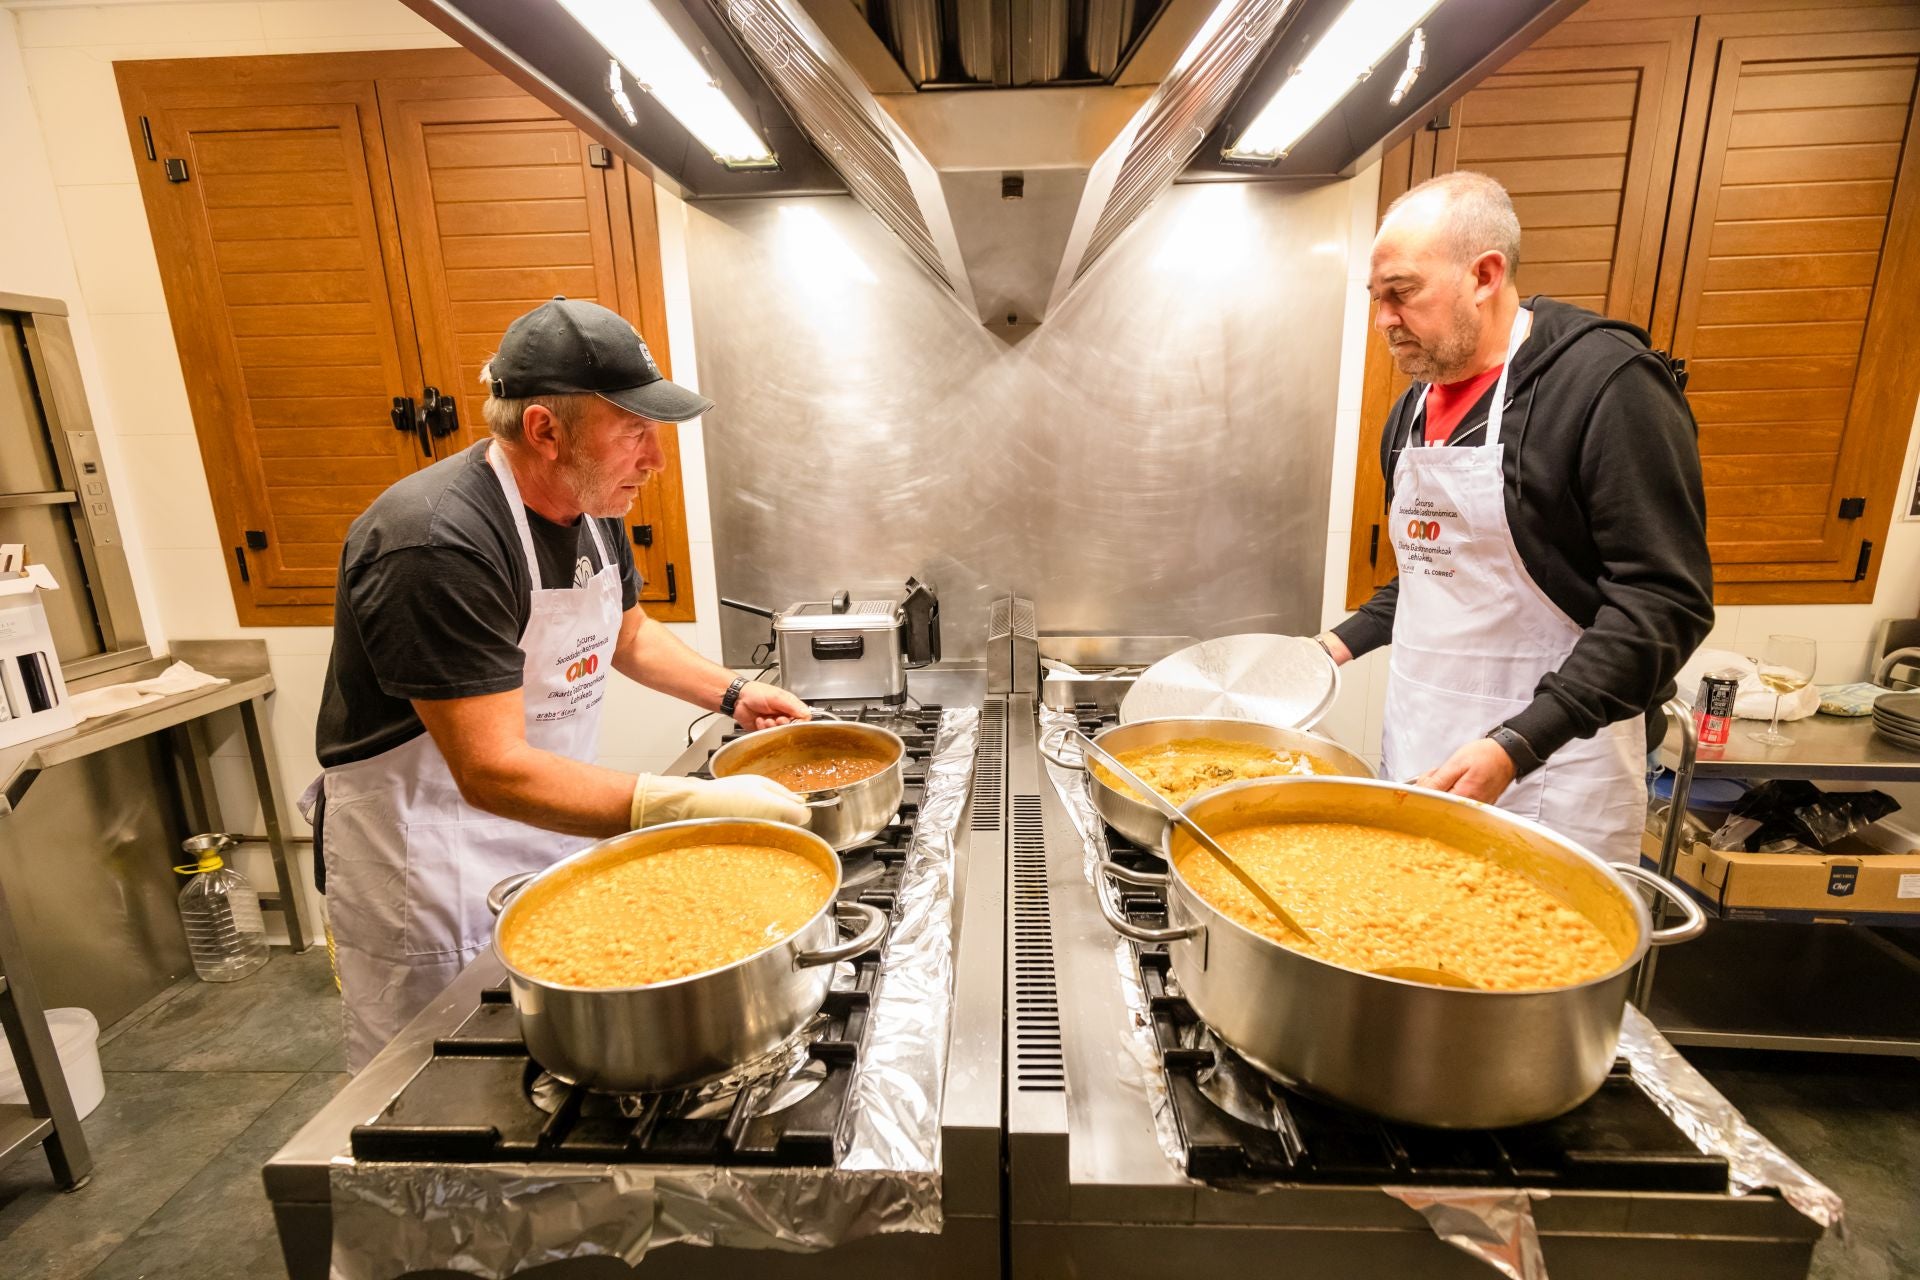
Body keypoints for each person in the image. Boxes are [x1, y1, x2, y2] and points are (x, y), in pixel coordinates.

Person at [309, 297, 810, 1070]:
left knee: (545, 1053)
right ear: (545, 430)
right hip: (433, 857)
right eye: (635, 433)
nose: (655, 460)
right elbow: (490, 769)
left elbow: (627, 633)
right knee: (441, 1079)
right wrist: (688, 805)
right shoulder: (435, 542)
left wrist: (735, 695)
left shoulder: (589, 501)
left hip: (549, 822)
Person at [1318, 172, 1713, 862]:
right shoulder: (1413, 410)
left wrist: (1520, 743)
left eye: (1401, 293)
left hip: (1558, 775)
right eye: (1377, 298)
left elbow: (1664, 602)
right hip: (1425, 750)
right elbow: (1433, 578)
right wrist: (1325, 651)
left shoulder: (1605, 386)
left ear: (1485, 274)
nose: (1383, 318)